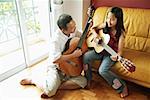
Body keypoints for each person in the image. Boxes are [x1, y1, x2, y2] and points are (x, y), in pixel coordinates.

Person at [20, 14, 87, 98]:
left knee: (83, 81)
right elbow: (56, 59)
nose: (74, 29)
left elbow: (83, 36)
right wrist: (73, 55)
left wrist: (91, 30)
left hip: (69, 66)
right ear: (63, 29)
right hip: (56, 67)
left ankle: (56, 86)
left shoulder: (73, 31)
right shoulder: (56, 40)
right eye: (72, 28)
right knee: (50, 92)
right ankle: (34, 80)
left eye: (75, 26)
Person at [83, 7, 128, 98]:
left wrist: (117, 56)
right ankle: (88, 79)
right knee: (86, 56)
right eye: (108, 18)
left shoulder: (121, 34)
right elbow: (93, 28)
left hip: (110, 54)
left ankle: (122, 87)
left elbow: (119, 52)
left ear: (118, 20)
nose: (109, 21)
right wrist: (96, 35)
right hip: (100, 50)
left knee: (102, 70)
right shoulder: (105, 25)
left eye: (112, 19)